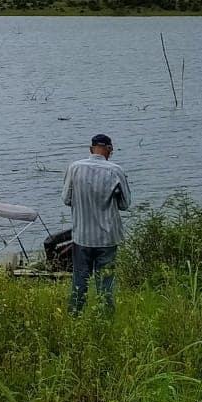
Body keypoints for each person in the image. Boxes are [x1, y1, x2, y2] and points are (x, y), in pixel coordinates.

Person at [62, 133, 132, 315]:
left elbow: (66, 199)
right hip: (108, 238)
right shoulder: (116, 171)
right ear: (109, 150)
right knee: (105, 284)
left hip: (82, 236)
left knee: (79, 281)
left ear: (91, 149)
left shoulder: (74, 168)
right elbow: (125, 204)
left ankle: (74, 317)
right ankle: (105, 322)